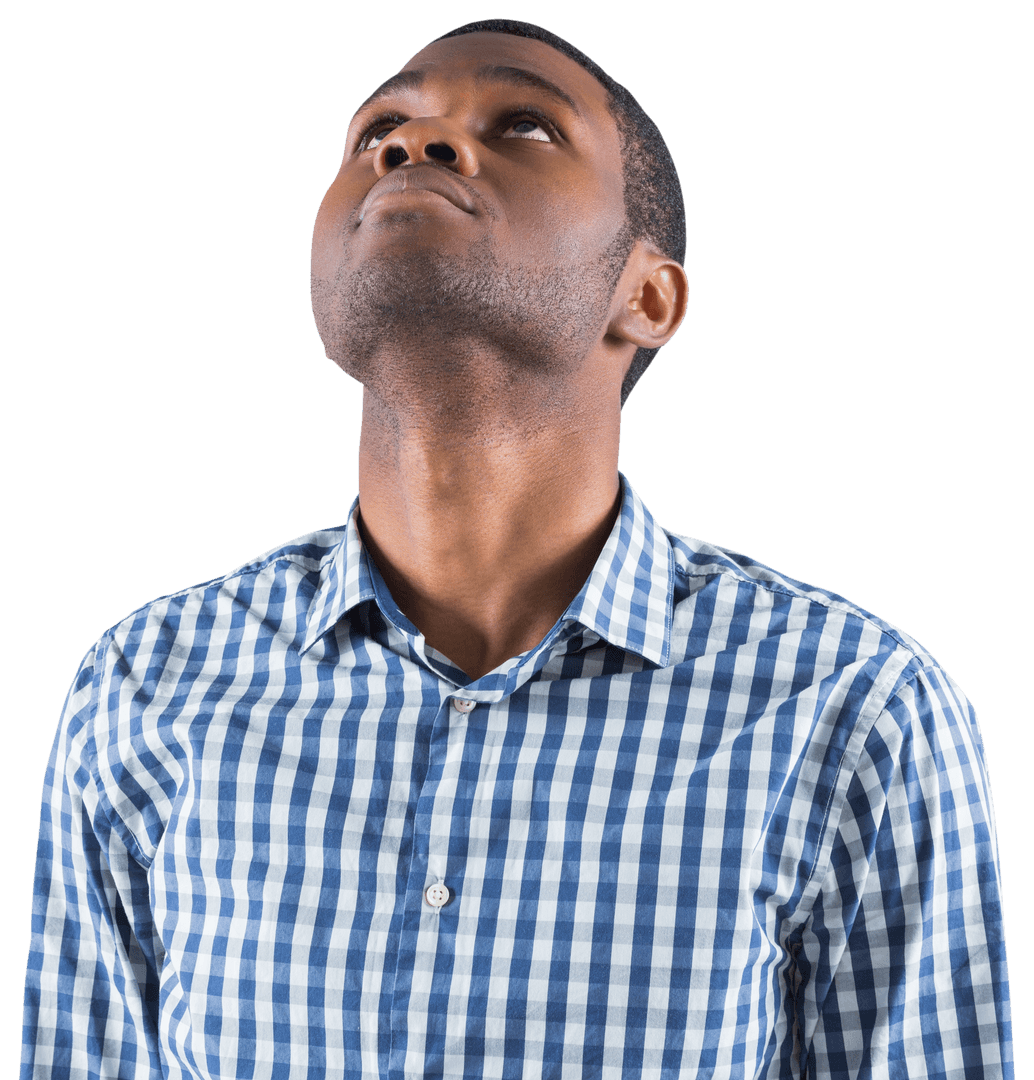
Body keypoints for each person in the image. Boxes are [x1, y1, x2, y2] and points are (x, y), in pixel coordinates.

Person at [21, 17, 1013, 1079]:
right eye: (378, 131)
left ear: (645, 296)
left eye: (524, 126)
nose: (413, 146)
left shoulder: (854, 710)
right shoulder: (146, 686)